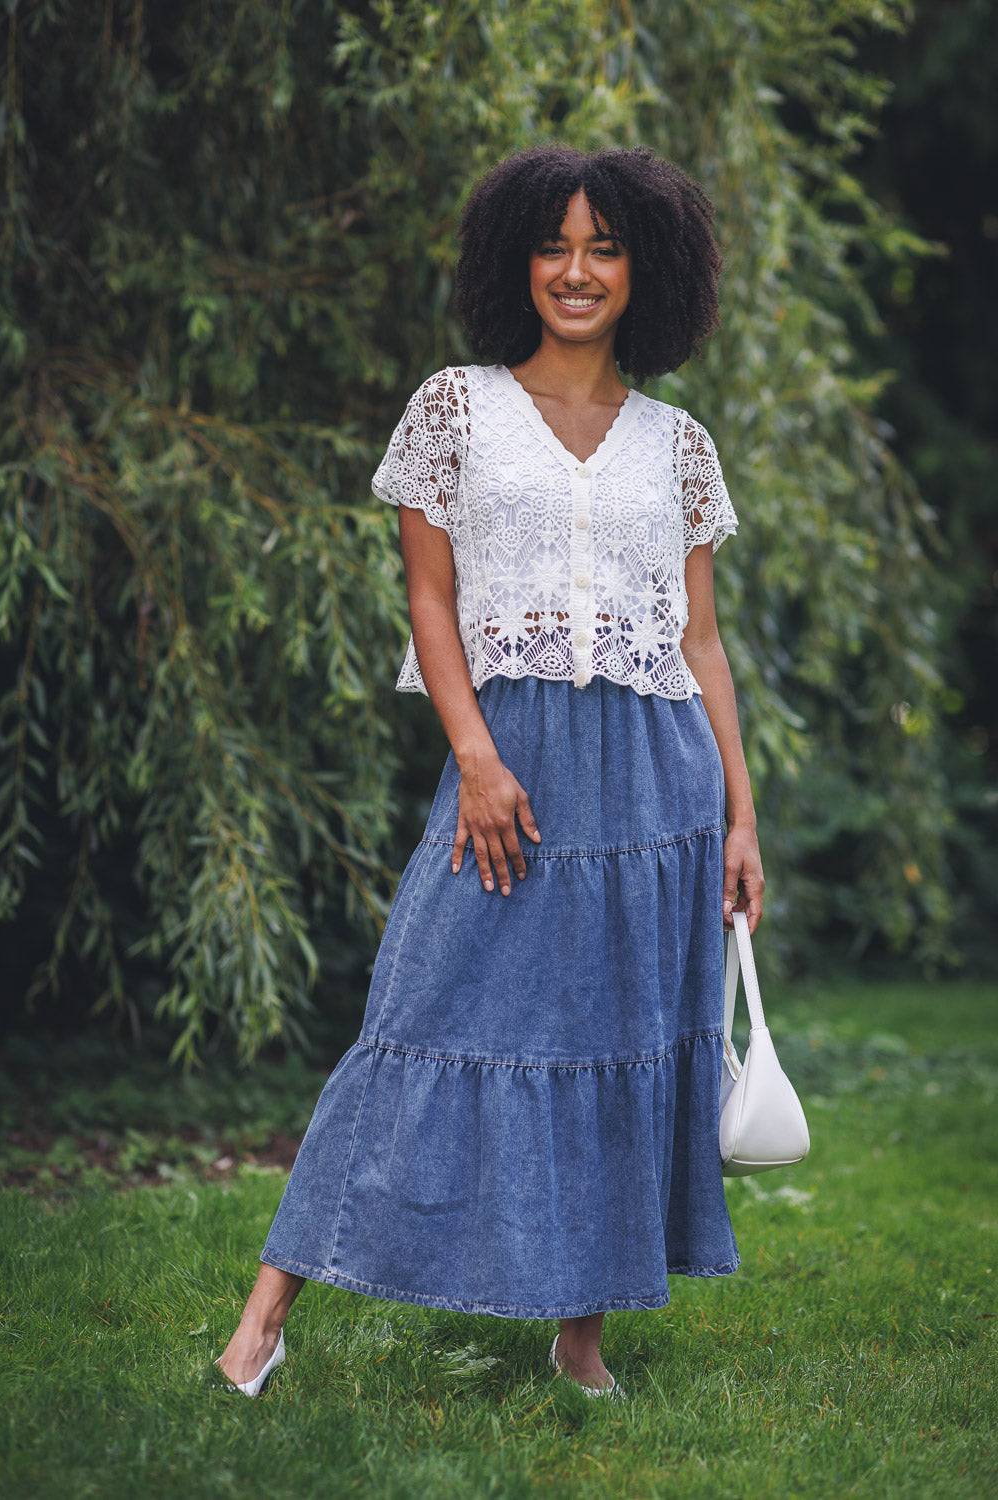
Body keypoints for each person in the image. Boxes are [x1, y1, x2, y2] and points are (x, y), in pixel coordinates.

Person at [215, 144, 764, 1400]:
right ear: (517, 259)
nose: (577, 271)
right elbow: (429, 596)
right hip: (506, 758)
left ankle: (582, 1341)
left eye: (606, 246)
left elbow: (699, 643)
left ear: (646, 269)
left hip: (656, 778)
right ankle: (265, 1317)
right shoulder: (453, 410)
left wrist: (741, 815)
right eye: (556, 243)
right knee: (417, 1015)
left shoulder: (679, 446)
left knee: (623, 1036)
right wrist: (472, 753)